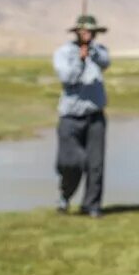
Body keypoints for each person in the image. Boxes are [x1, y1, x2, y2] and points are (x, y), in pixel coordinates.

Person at [53, 14, 110, 218]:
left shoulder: (99, 51)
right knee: (71, 162)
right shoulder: (64, 53)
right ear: (77, 31)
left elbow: (105, 62)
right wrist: (80, 59)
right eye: (84, 31)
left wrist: (90, 53)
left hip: (95, 117)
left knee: (96, 164)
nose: (88, 34)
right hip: (70, 117)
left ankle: (92, 205)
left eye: (91, 31)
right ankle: (65, 195)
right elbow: (67, 78)